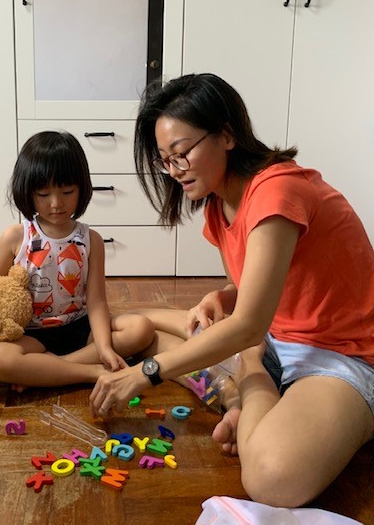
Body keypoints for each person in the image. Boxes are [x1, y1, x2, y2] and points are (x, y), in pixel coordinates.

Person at [89, 73, 374, 508]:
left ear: (226, 135)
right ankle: (240, 395)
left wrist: (146, 375)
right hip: (278, 337)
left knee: (272, 479)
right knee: (142, 328)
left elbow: (248, 326)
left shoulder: (278, 189)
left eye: (182, 152)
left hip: (342, 354)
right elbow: (257, 285)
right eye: (166, 159)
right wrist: (223, 296)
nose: (174, 169)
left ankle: (248, 379)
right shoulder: (220, 206)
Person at [0, 131, 154, 390]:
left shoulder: (91, 239)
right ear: (28, 192)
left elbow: (97, 301)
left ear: (82, 188)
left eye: (67, 191)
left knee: (140, 328)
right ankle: (91, 372)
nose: (56, 203)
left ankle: (48, 370)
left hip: (78, 329)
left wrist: (105, 347)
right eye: (43, 194)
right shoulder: (16, 237)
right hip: (33, 336)